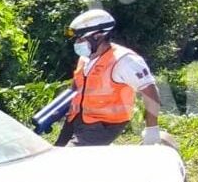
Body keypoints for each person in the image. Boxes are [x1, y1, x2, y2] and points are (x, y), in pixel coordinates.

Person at [55, 10, 165, 147]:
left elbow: (150, 91)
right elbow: (77, 89)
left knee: (69, 160)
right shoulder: (85, 58)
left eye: (81, 39)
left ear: (98, 36)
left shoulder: (125, 61)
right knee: (56, 153)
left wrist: (152, 129)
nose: (77, 43)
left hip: (104, 124)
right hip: (77, 118)